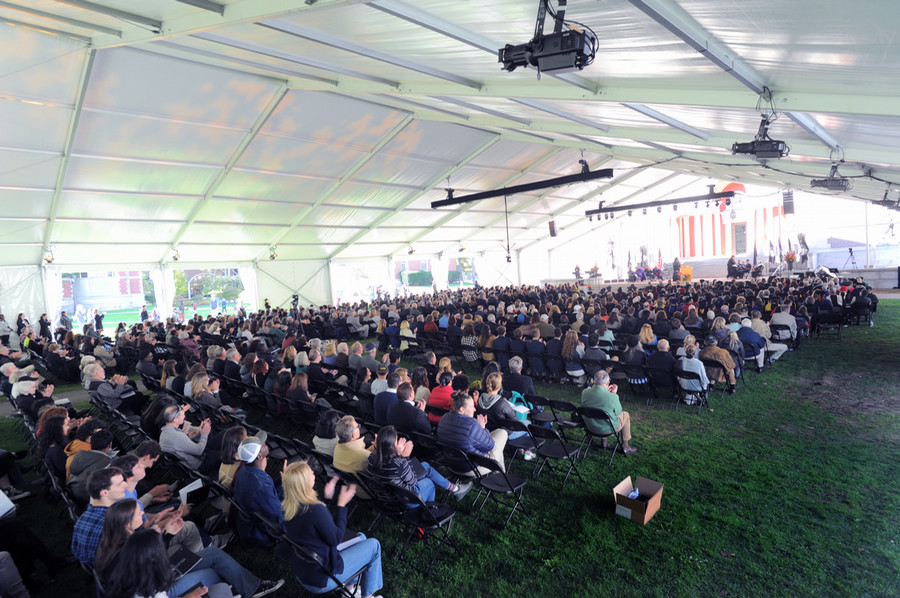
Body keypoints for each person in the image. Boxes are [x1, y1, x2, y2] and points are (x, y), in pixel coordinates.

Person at [281, 462, 384, 598]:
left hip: (304, 572)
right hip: (324, 576)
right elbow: (335, 538)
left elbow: (314, 521)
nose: (313, 472)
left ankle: (349, 590)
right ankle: (367, 596)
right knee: (374, 546)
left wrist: (326, 499)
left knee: (361, 538)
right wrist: (341, 505)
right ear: (304, 483)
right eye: (309, 472)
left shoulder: (288, 508)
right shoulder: (315, 510)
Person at [366, 425, 470, 503]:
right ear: (391, 446)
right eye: (396, 440)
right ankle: (430, 509)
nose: (398, 442)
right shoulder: (398, 464)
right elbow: (412, 481)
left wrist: (397, 455)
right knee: (429, 482)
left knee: (425, 466)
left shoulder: (371, 458)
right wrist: (405, 456)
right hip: (404, 497)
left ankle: (454, 489)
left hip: (390, 492)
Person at [437, 391, 507, 474]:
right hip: (470, 468)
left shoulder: (444, 418)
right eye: (472, 407)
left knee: (496, 441)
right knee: (502, 433)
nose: (474, 409)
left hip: (451, 463)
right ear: (462, 410)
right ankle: (502, 477)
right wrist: (482, 428)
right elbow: (490, 446)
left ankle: (501, 474)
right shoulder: (472, 425)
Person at [71, 467, 128, 568]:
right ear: (104, 493)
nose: (126, 485)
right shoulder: (114, 523)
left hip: (97, 572)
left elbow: (75, 550)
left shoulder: (83, 517)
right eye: (120, 484)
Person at [232, 434, 282, 547]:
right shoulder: (261, 486)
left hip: (249, 521)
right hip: (263, 531)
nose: (265, 445)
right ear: (259, 456)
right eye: (263, 445)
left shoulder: (244, 471)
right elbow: (278, 516)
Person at [581, 370, 637, 454]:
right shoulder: (612, 397)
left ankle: (604, 443)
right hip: (608, 429)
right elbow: (618, 412)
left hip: (590, 426)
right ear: (608, 383)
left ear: (593, 381)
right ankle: (625, 446)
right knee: (625, 414)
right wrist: (613, 394)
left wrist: (607, 393)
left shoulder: (585, 392)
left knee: (601, 413)